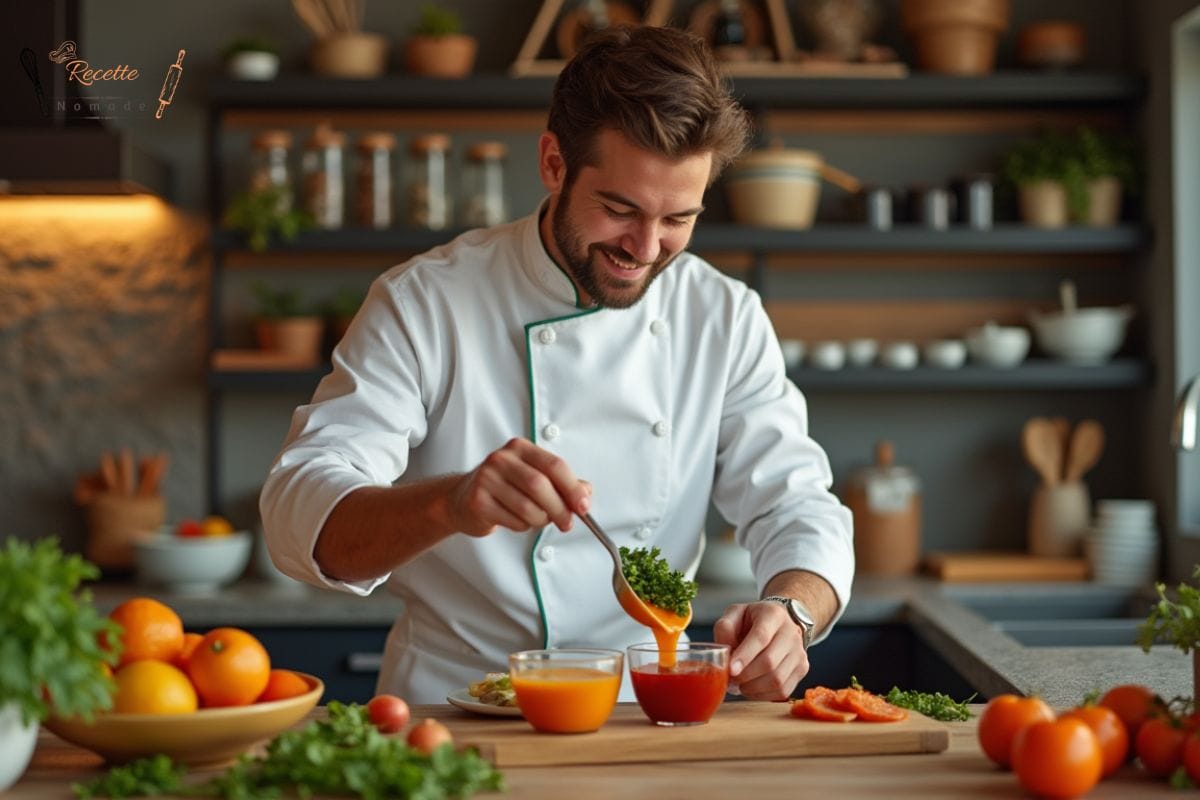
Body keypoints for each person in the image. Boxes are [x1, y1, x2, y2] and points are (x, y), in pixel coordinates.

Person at [260, 24, 854, 705]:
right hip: (457, 706)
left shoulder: (723, 316)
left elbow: (797, 502)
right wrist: (450, 503)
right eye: (619, 209)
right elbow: (295, 513)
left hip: (645, 708)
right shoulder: (425, 301)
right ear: (552, 162)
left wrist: (793, 614)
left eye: (678, 219)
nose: (647, 247)